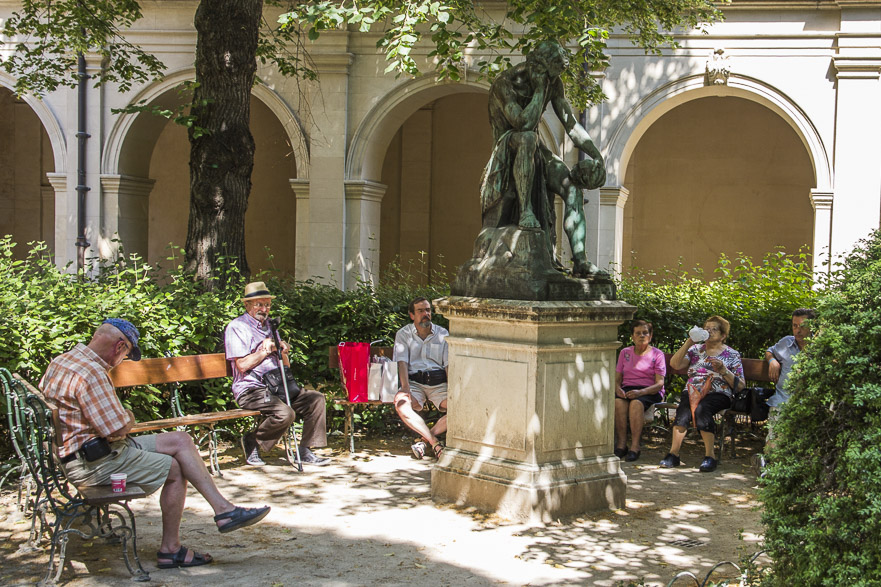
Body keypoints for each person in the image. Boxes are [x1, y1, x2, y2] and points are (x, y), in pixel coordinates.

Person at [40, 318, 270, 570]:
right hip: (95, 463)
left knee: (181, 440)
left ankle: (224, 510)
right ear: (119, 347)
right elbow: (117, 428)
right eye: (127, 354)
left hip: (83, 452)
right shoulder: (92, 373)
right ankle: (171, 549)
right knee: (174, 468)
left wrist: (120, 421)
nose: (123, 360)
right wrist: (128, 415)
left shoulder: (63, 360)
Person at [481, 39, 606, 277]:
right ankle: (526, 210)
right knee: (527, 137)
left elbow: (571, 124)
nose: (557, 76)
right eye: (556, 69)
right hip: (507, 147)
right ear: (540, 65)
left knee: (571, 187)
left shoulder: (553, 83)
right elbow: (521, 123)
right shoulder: (504, 83)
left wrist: (597, 156)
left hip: (534, 150)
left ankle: (580, 261)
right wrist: (539, 90)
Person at [225, 281, 330, 466]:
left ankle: (304, 450)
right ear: (246, 304)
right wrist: (264, 351)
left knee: (316, 399)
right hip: (251, 389)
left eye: (267, 304)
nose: (264, 309)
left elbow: (286, 365)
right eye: (259, 304)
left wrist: (282, 350)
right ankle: (252, 441)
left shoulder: (271, 328)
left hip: (278, 385)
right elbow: (241, 365)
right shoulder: (237, 327)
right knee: (285, 413)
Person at [659, 316, 744, 473]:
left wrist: (724, 371)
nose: (709, 332)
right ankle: (673, 454)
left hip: (718, 392)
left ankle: (710, 457)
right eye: (707, 329)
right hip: (693, 390)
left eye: (714, 329)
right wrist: (689, 342)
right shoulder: (695, 350)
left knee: (701, 409)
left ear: (723, 335)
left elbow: (740, 385)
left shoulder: (732, 354)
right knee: (684, 410)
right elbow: (675, 364)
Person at [755, 308, 815, 469]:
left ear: (812, 326)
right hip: (782, 401)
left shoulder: (820, 347)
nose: (797, 330)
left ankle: (787, 472)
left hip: (809, 405)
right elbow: (769, 351)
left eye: (802, 326)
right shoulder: (786, 342)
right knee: (776, 438)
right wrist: (772, 361)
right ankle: (769, 468)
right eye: (794, 326)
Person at [394, 297, 449, 460]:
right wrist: (405, 389)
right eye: (420, 311)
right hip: (414, 383)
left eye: (428, 310)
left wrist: (453, 389)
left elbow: (448, 364)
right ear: (412, 315)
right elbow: (402, 362)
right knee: (402, 405)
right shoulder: (403, 334)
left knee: (462, 408)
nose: (426, 314)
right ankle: (436, 444)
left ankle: (425, 441)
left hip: (438, 384)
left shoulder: (442, 334)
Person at [614, 320, 666, 462]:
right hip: (628, 388)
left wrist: (641, 392)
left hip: (649, 390)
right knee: (618, 402)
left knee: (636, 403)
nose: (642, 336)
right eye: (638, 333)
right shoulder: (625, 353)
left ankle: (635, 447)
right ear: (632, 336)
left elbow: (660, 383)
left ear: (650, 335)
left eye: (645, 333)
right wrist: (618, 389)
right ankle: (622, 445)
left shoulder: (657, 354)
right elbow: (617, 378)